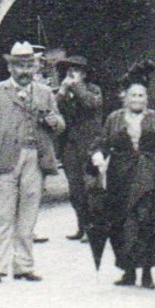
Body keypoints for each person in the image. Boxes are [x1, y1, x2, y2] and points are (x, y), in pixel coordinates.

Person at [0, 42, 64, 283]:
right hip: (5, 158)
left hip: (35, 158)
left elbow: (59, 123)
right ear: (11, 67)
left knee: (28, 215)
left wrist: (54, 121)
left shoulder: (44, 92)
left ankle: (24, 265)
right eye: (19, 66)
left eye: (29, 66)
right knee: (2, 215)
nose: (25, 71)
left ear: (34, 67)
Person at [92, 63, 155, 289]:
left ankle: (147, 273)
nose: (137, 99)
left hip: (150, 176)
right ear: (126, 97)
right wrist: (98, 156)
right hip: (120, 177)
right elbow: (102, 143)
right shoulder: (114, 119)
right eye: (133, 95)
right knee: (122, 222)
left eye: (141, 95)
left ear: (147, 98)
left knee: (149, 222)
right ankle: (128, 271)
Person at [54, 55, 104, 242]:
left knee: (92, 187)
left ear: (83, 74)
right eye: (68, 70)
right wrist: (62, 91)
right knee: (75, 189)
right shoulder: (66, 92)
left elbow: (90, 104)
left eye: (74, 70)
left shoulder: (94, 90)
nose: (70, 74)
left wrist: (75, 87)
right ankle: (81, 226)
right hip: (71, 146)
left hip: (91, 145)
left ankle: (94, 228)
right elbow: (56, 108)